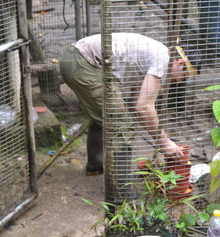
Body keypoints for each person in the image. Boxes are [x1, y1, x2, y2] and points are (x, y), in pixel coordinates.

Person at [60, 33, 201, 175]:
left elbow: (136, 104)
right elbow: (143, 108)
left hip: (77, 58)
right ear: (181, 63)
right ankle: (120, 192)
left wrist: (157, 135)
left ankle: (95, 166)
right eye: (185, 75)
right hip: (81, 62)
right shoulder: (163, 60)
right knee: (123, 125)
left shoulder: (158, 55)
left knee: (106, 115)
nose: (181, 81)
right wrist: (165, 143)